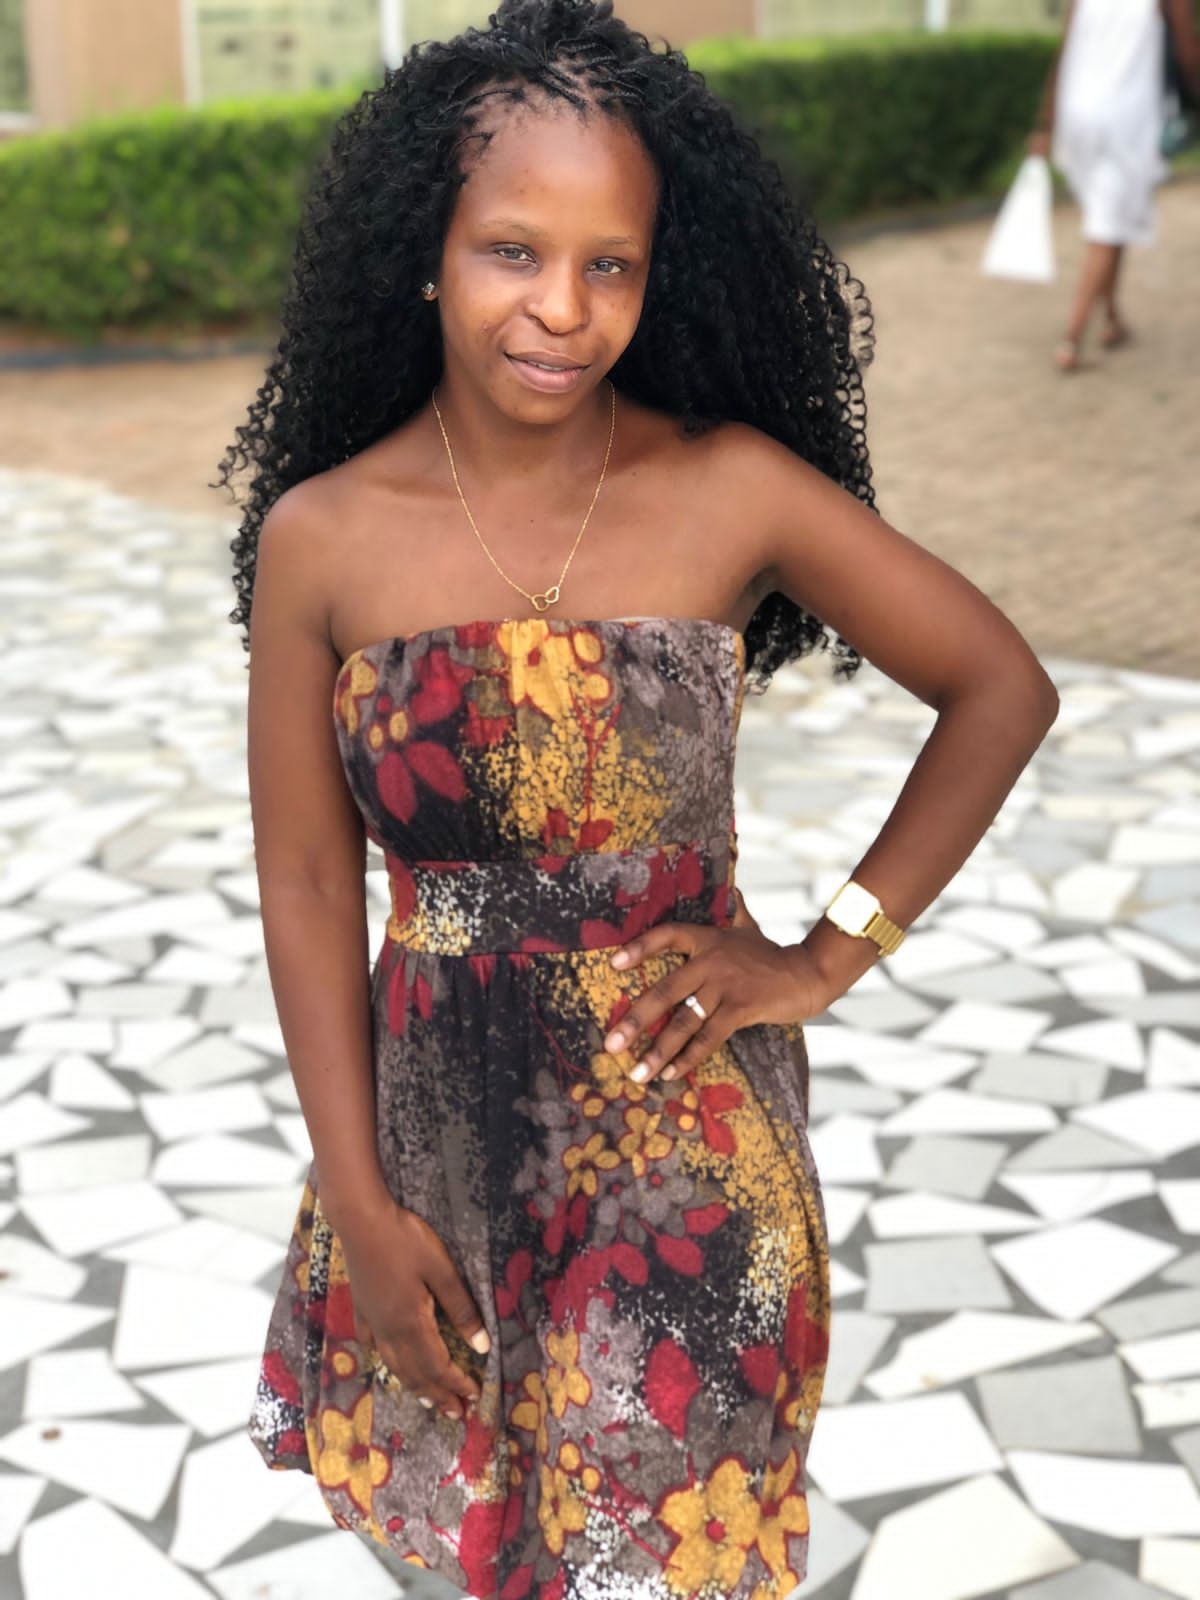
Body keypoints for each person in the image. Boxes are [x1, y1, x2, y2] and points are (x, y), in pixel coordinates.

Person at [218, 1, 1059, 1593]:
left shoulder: (729, 487)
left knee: (667, 1555)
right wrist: (360, 1204)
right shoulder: (322, 539)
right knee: (475, 1552)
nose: (563, 308)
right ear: (424, 253)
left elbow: (999, 686)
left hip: (687, 1161)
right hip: (434, 1154)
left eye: (611, 264)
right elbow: (309, 884)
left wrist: (827, 954)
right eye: (512, 252)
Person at [1028, 0, 1200, 372]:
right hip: (1127, 120)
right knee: (1106, 227)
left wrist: (1045, 123)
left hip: (1077, 114)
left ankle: (1112, 318)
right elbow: (1188, 54)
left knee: (1112, 217)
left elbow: (1064, 50)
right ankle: (1071, 340)